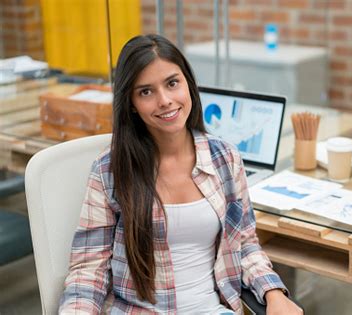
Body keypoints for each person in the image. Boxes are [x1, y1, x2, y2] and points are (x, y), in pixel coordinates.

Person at [59, 34, 303, 314]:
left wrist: (273, 292)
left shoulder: (224, 158)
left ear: (188, 84)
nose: (165, 100)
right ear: (131, 104)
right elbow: (89, 269)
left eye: (172, 83)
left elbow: (244, 243)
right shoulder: (109, 170)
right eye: (146, 92)